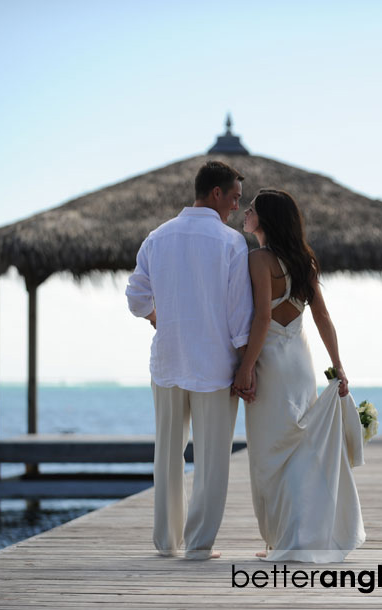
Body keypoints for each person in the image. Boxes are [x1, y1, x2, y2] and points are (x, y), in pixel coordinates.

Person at [125, 160, 253, 560]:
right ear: (216, 193)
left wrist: (157, 318)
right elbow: (239, 316)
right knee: (213, 460)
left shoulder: (157, 237)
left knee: (167, 453)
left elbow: (135, 297)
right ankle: (198, 545)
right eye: (234, 198)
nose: (235, 206)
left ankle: (167, 542)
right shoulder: (231, 242)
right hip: (215, 365)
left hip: (168, 362)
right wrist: (246, 364)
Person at [233, 188, 366, 563]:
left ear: (267, 218)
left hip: (271, 363)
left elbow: (262, 318)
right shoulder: (304, 261)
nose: (246, 212)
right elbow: (323, 318)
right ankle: (298, 536)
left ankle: (286, 539)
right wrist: (338, 365)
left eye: (253, 209)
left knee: (270, 452)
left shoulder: (259, 259)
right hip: (300, 362)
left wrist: (245, 367)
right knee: (298, 449)